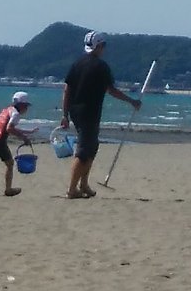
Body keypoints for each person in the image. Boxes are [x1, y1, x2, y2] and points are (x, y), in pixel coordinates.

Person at [58, 30, 141, 199]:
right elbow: (111, 90)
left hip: (76, 111)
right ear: (100, 46)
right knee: (83, 152)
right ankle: (72, 188)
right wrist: (131, 101)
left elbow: (67, 90)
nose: (104, 49)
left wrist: (65, 114)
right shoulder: (101, 66)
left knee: (92, 148)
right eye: (103, 46)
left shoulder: (77, 64)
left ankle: (84, 184)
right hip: (89, 113)